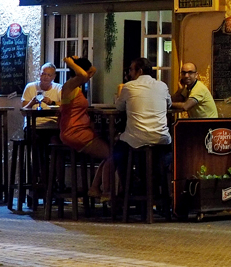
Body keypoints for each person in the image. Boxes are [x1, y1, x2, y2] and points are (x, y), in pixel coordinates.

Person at [58, 56, 113, 199]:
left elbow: (92, 70)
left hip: (81, 130)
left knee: (110, 153)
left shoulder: (76, 87)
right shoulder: (69, 86)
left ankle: (95, 188)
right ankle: (107, 192)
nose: (88, 76)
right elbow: (83, 74)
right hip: (75, 131)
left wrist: (77, 61)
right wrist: (70, 63)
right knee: (111, 155)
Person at [114, 57, 173, 185]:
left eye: (131, 70)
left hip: (136, 140)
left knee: (117, 151)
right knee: (167, 150)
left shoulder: (128, 86)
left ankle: (129, 190)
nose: (129, 73)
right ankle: (158, 187)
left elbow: (119, 107)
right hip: (161, 139)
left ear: (139, 71)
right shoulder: (162, 85)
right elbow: (169, 104)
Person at [21, 62, 61, 127]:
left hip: (52, 124)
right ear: (39, 74)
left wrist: (51, 102)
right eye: (43, 74)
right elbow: (23, 112)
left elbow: (66, 106)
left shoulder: (58, 88)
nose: (46, 77)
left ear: (54, 77)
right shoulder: (30, 87)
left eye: (49, 75)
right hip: (33, 124)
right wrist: (32, 103)